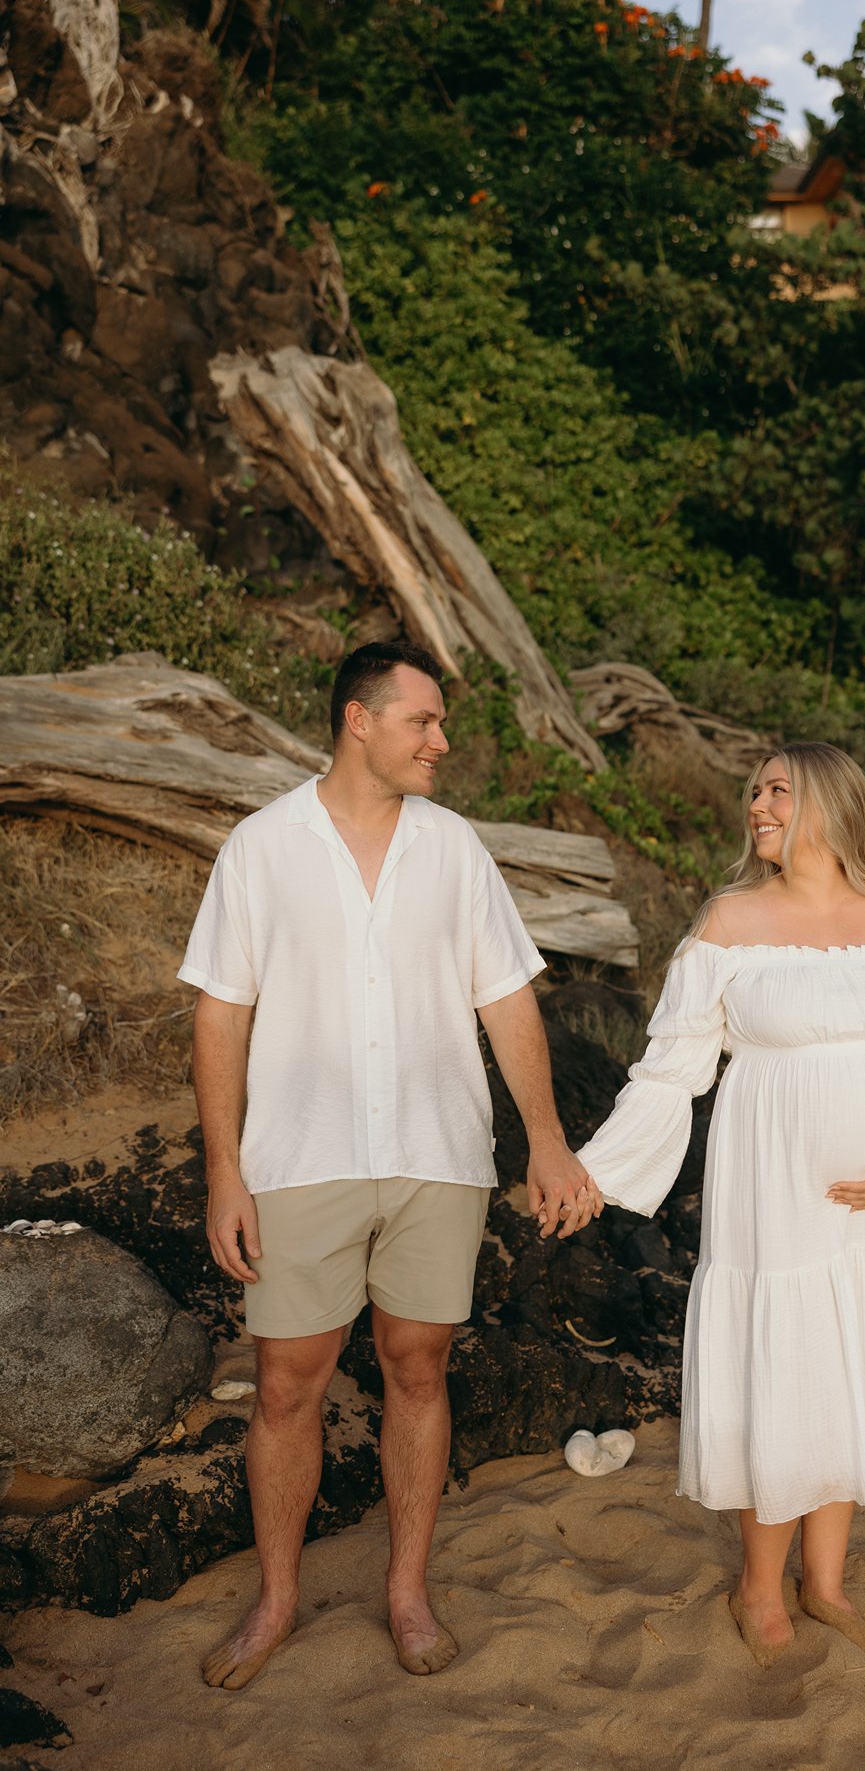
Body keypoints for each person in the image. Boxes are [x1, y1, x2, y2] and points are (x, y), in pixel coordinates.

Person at [180, 641, 598, 1690]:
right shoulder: (261, 849)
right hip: (300, 1157)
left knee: (419, 1367)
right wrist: (225, 1172)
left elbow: (505, 998)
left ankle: (406, 1593)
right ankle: (276, 1600)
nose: (441, 743)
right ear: (357, 721)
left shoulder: (455, 851)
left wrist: (544, 1138)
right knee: (286, 1387)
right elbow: (220, 1013)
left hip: (437, 1152)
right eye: (424, 722)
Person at [575, 742, 865, 1667]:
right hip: (770, 1186)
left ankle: (828, 1583)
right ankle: (759, 1587)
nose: (756, 805)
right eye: (751, 791)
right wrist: (594, 1172)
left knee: (851, 1363)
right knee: (787, 1361)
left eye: (775, 789)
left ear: (832, 803)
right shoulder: (731, 918)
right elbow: (673, 1067)